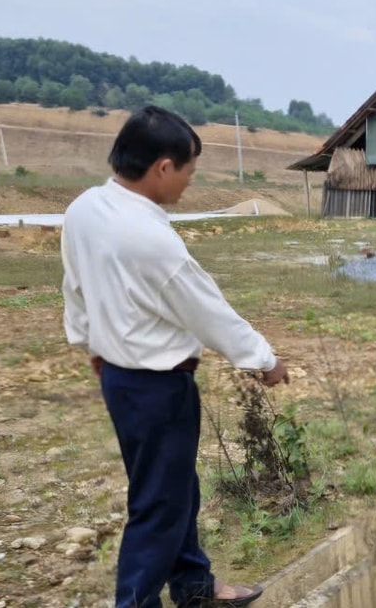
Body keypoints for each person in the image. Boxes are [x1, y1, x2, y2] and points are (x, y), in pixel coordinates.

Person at [61, 105, 287, 608]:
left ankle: (193, 586)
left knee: (176, 487)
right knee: (158, 506)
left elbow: (73, 287)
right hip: (156, 387)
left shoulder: (85, 209)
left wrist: (90, 345)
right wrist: (264, 359)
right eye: (188, 170)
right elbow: (208, 311)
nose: (188, 182)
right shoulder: (151, 239)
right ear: (164, 167)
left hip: (122, 378)